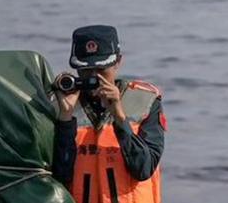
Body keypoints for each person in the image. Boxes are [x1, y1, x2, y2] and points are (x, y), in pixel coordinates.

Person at [50, 25, 166, 203]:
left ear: (118, 62)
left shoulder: (145, 102)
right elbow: (60, 176)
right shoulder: (58, 106)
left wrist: (119, 116)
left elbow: (143, 168)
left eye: (102, 70)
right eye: (86, 71)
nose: (95, 77)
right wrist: (65, 117)